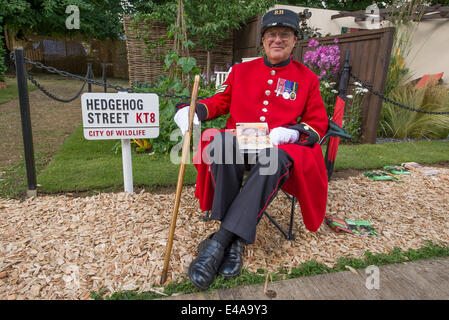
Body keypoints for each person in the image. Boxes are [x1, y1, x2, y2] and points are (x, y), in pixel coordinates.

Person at [173, 8, 329, 290]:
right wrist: (195, 112)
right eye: (271, 34)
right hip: (242, 138)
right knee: (221, 144)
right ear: (264, 39)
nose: (277, 39)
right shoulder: (241, 71)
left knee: (272, 159)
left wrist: (293, 132)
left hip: (276, 145)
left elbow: (318, 122)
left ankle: (221, 241)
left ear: (295, 40)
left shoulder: (307, 78)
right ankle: (235, 241)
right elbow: (221, 101)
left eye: (284, 34)